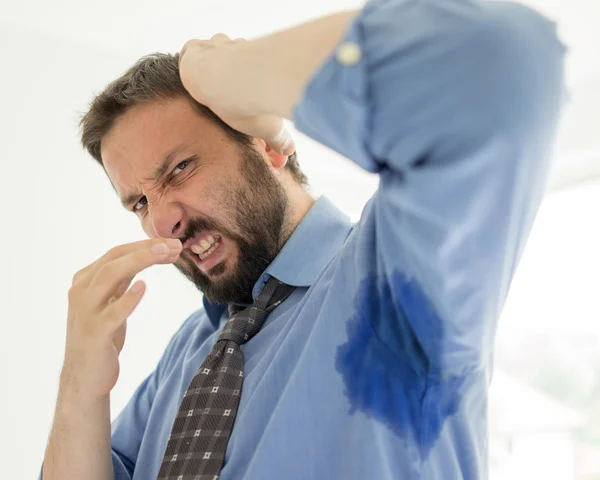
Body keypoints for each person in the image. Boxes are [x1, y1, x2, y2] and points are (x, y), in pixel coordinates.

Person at [40, 0, 566, 478]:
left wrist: (223, 72)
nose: (161, 222)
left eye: (180, 168)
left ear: (269, 146)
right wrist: (79, 387)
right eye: (140, 202)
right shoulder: (190, 348)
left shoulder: (391, 280)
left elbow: (497, 59)